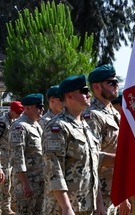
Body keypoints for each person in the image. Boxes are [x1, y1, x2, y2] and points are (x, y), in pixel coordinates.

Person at [42, 74, 106, 215]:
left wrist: (99, 203)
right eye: (84, 91)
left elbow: (92, 168)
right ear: (69, 96)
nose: (89, 94)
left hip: (86, 206)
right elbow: (54, 170)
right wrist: (66, 207)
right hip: (63, 209)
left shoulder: (85, 126)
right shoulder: (58, 127)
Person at [83, 65, 127, 214]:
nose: (116, 86)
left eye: (116, 82)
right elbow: (92, 158)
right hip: (99, 191)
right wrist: (98, 202)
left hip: (114, 190)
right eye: (111, 83)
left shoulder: (114, 113)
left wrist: (123, 197)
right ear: (96, 86)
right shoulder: (92, 115)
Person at [10, 94, 44, 214]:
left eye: (42, 106)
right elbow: (18, 157)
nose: (42, 109)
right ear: (28, 108)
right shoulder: (20, 127)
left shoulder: (36, 125)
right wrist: (25, 183)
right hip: (27, 182)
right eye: (39, 106)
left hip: (39, 180)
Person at [0, 101, 23, 215]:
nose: (19, 115)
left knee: (13, 183)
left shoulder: (15, 121)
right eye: (17, 112)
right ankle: (5, 208)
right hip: (3, 157)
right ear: (11, 110)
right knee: (5, 184)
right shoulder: (2, 122)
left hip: (11, 157)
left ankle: (12, 204)